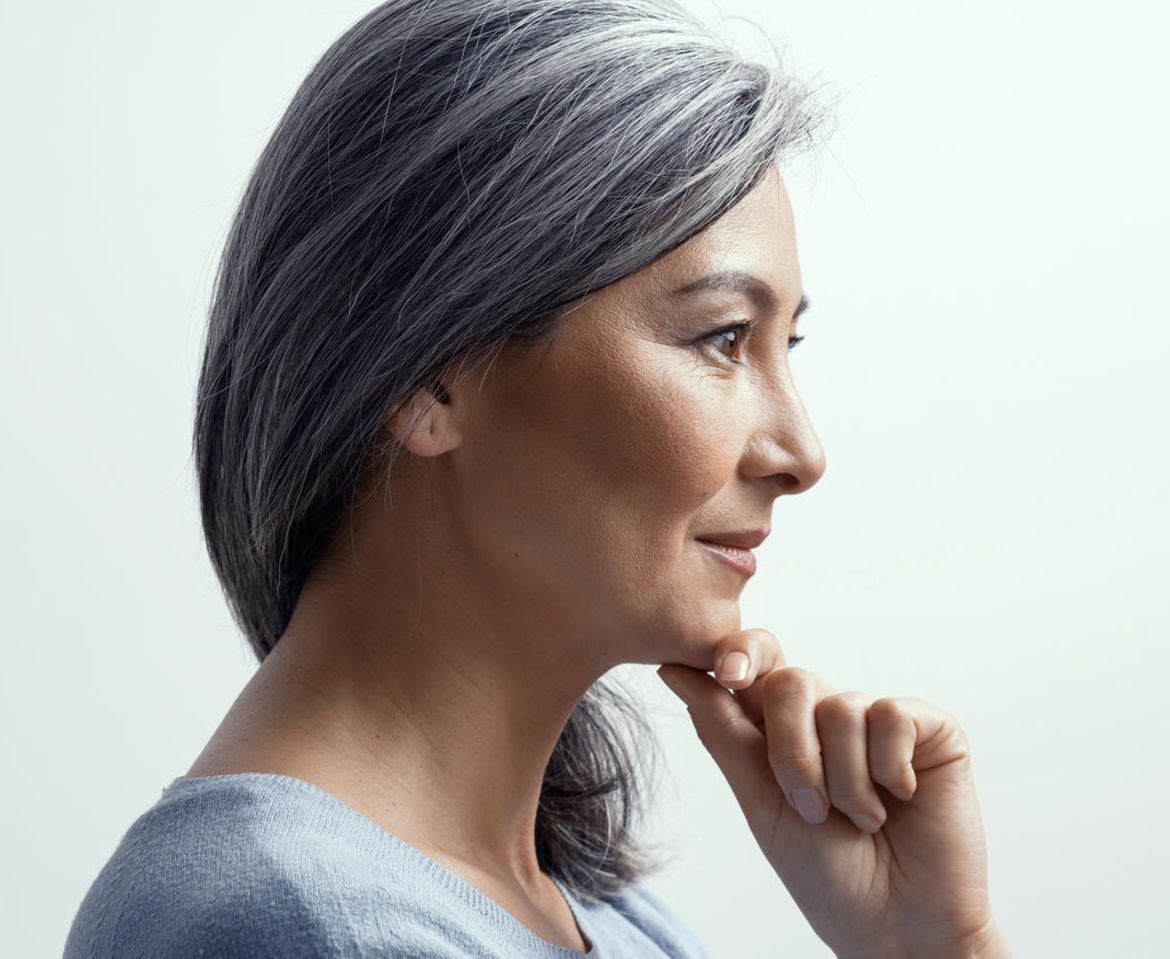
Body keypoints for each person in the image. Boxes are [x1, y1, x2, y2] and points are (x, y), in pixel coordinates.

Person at [64, 0, 1010, 956]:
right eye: (724, 339)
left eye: (786, 344)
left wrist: (933, 945)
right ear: (427, 373)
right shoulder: (293, 926)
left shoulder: (590, 918)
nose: (801, 453)